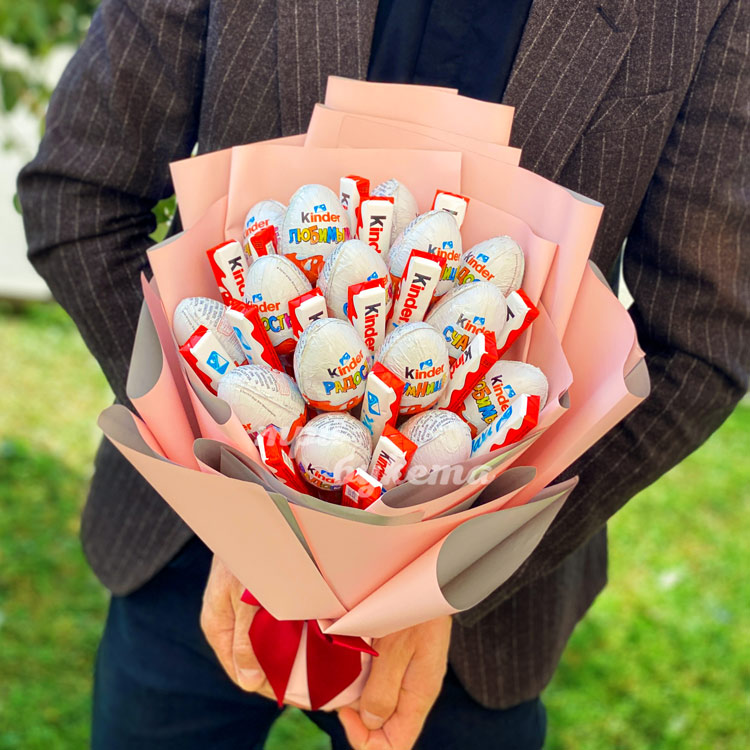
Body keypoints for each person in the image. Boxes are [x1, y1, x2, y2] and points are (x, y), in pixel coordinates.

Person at [17, 1, 749, 748]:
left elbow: (702, 338)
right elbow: (80, 193)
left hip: (466, 628)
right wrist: (227, 502)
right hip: (193, 553)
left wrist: (446, 575)